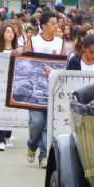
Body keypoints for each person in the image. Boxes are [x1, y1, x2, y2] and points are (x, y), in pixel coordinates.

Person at [23, 11, 64, 169]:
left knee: (48, 124)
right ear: (44, 25)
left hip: (52, 90)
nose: (56, 26)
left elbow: (63, 65)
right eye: (53, 23)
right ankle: (32, 144)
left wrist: (53, 72)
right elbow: (24, 64)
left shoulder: (60, 43)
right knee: (36, 122)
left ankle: (44, 156)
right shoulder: (33, 41)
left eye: (56, 23)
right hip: (34, 90)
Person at [0, 23, 21, 152]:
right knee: (0, 111)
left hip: (13, 84)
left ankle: (8, 135)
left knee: (11, 110)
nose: (10, 34)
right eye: (7, 31)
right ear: (2, 34)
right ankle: (1, 140)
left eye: (12, 32)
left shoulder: (17, 51)